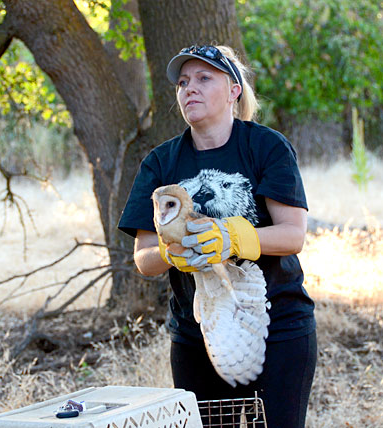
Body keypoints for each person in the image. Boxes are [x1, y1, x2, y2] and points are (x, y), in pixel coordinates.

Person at [117, 44, 317, 428]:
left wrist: (232, 238)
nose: (189, 88)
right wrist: (173, 252)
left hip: (279, 327)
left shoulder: (266, 147)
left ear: (234, 90)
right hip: (198, 336)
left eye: (204, 78)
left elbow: (293, 235)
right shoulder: (161, 162)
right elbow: (143, 257)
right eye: (183, 82)